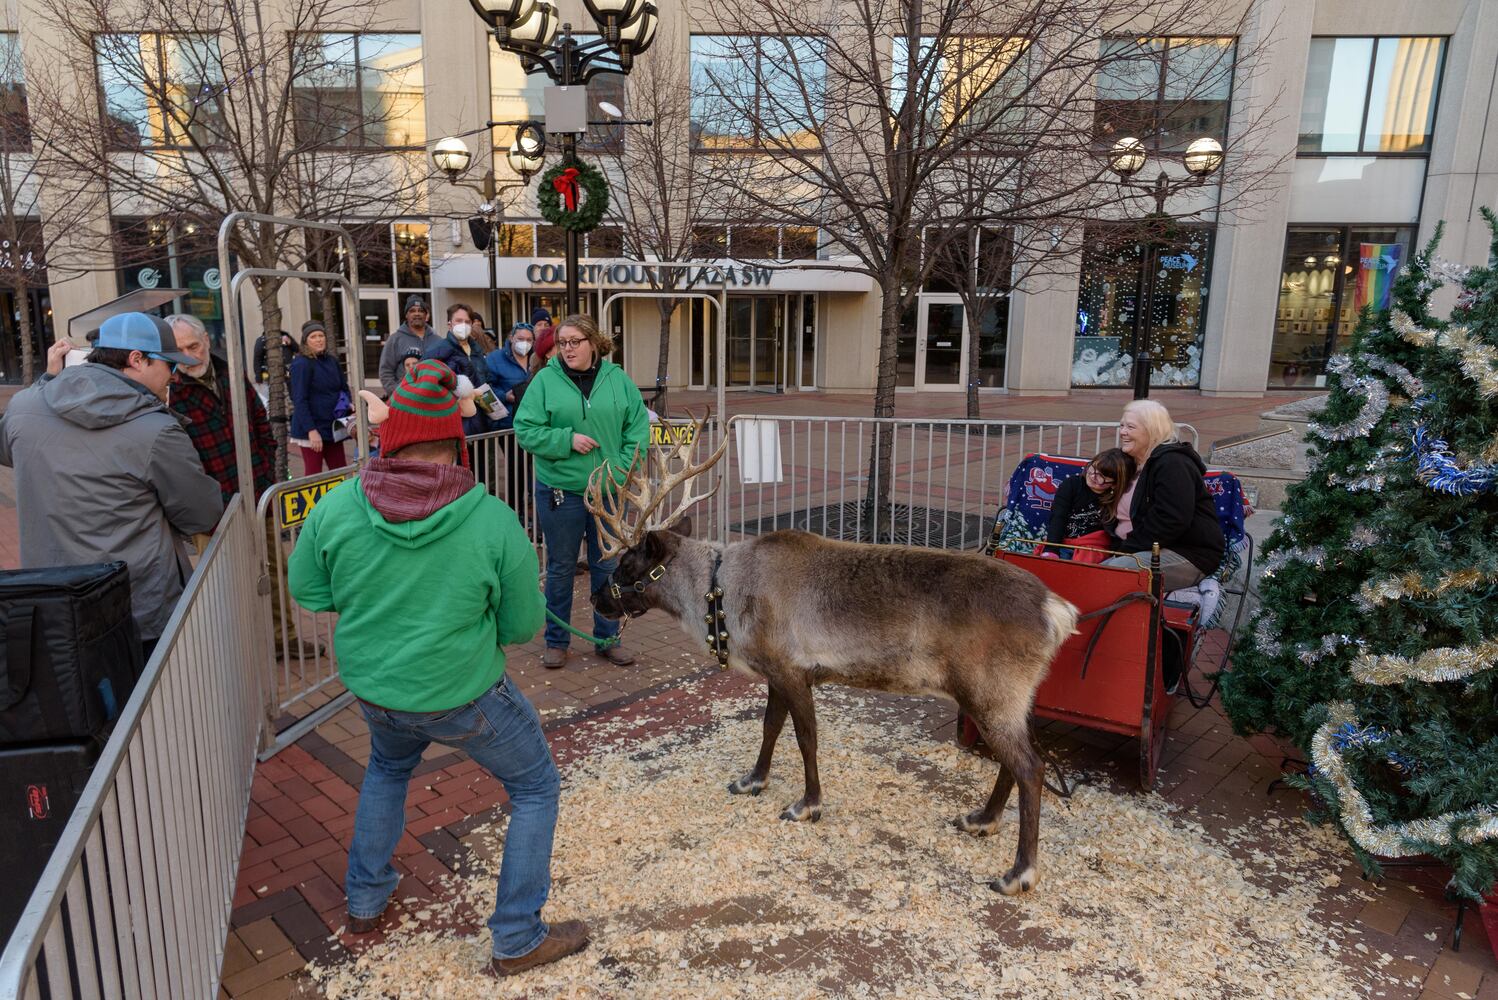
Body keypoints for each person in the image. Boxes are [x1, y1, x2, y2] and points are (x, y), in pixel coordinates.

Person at [288, 361, 587, 977]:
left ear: (389, 438)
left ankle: (366, 900)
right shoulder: (490, 517)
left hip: (373, 685)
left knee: (388, 768)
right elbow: (523, 626)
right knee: (536, 788)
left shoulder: (339, 505)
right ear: (455, 441)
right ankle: (517, 936)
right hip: (463, 691)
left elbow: (310, 592)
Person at [0, 313, 222, 657]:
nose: (175, 377)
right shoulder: (155, 430)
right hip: (137, 609)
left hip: (54, 603)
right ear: (137, 359)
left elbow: (7, 448)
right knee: (152, 706)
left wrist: (46, 380)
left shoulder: (25, 406)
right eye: (170, 366)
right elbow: (201, 514)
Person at [166, 314, 320, 658]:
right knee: (221, 581)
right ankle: (234, 649)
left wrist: (264, 474)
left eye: (193, 345)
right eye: (179, 350)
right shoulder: (170, 391)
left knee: (275, 569)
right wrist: (207, 500)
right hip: (211, 506)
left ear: (206, 340)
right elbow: (179, 458)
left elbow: (261, 426)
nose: (189, 355)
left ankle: (285, 638)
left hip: (254, 492)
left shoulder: (230, 373)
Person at [514, 313, 649, 669]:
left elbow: (637, 432)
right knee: (560, 569)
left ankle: (608, 638)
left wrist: (618, 472)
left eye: (575, 342)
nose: (568, 349)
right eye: (562, 343)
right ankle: (556, 641)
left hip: (608, 494)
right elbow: (525, 429)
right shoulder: (545, 381)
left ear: (593, 343)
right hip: (561, 491)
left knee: (607, 567)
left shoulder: (618, 380)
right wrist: (565, 439)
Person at [1101, 400, 1225, 591]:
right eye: (1122, 425)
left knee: (1108, 574)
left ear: (1152, 430)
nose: (1122, 432)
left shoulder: (1173, 464)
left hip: (1188, 552)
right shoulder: (1134, 462)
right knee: (1088, 571)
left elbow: (1170, 519)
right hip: (1143, 547)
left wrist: (1126, 551)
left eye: (1130, 427)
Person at [1039, 448, 1136, 564]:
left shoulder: (1117, 499)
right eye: (1094, 468)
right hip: (1063, 543)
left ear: (1115, 484)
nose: (1093, 476)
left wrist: (1116, 555)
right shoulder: (1072, 484)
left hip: (1094, 549)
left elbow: (1117, 532)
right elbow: (1058, 516)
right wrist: (1051, 549)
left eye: (1102, 475)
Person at [290, 320, 352, 475]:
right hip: (311, 429)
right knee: (313, 476)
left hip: (332, 427)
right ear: (306, 341)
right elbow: (299, 400)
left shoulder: (331, 361)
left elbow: (343, 388)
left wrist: (348, 403)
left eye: (321, 335)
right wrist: (311, 430)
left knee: (340, 472)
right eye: (313, 336)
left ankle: (340, 500)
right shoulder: (302, 364)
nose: (318, 339)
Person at [422, 303, 494, 435]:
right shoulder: (437, 350)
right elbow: (426, 386)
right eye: (459, 321)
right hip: (453, 422)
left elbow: (486, 379)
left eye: (467, 321)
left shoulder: (477, 350)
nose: (464, 325)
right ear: (449, 324)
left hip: (480, 420)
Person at [377, 294, 440, 397]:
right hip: (405, 398)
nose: (417, 314)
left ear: (426, 315)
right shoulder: (395, 339)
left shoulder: (437, 340)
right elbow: (385, 371)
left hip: (432, 397)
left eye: (420, 311)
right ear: (406, 315)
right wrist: (397, 393)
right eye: (412, 311)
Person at [485, 322, 535, 431]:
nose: (525, 343)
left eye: (529, 340)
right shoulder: (494, 359)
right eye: (521, 339)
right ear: (512, 338)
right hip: (507, 424)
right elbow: (485, 389)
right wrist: (504, 396)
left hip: (532, 421)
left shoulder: (536, 359)